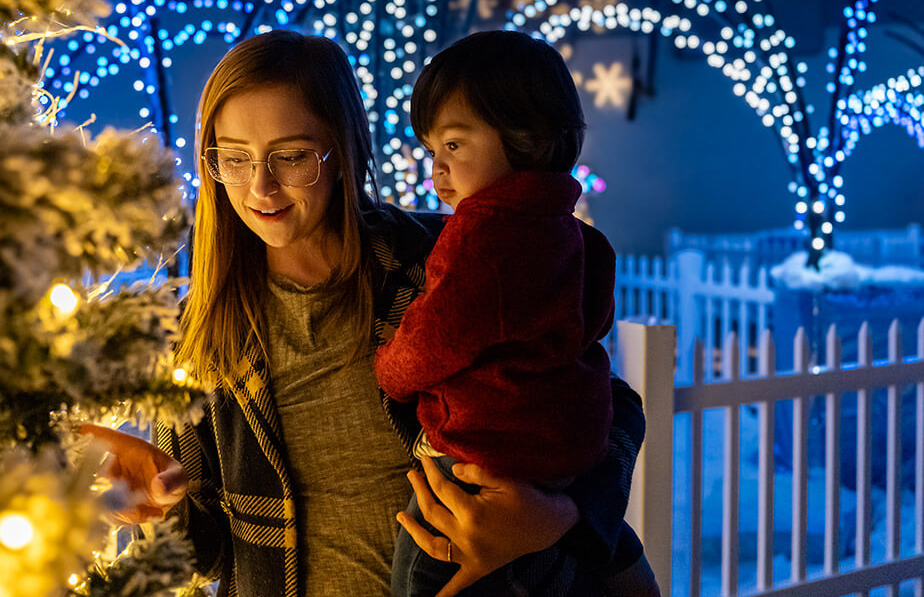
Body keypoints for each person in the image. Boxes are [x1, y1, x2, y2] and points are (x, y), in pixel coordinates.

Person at [82, 30, 649, 597]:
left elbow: (610, 405)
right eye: (234, 158)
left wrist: (558, 515)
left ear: (344, 149)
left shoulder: (451, 259)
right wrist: (159, 498)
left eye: (292, 156)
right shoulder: (199, 332)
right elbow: (204, 553)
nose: (261, 185)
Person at [374, 30, 658, 597]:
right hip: (563, 453)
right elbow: (591, 326)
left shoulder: (476, 234)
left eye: (454, 145)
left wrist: (390, 370)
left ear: (525, 138)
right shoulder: (577, 236)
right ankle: (621, 565)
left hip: (480, 454)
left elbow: (437, 333)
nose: (437, 169)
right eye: (433, 150)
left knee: (422, 572)